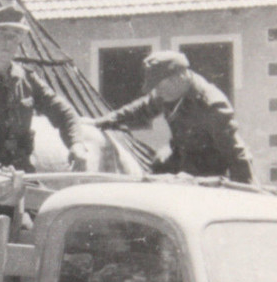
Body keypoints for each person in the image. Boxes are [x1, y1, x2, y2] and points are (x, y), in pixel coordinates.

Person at [0, 2, 89, 175]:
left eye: (15, 36)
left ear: (20, 41)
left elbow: (65, 113)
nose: (8, 42)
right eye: (2, 34)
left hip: (21, 177)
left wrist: (77, 145)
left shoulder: (28, 80)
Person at [96, 50, 255, 184]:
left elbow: (236, 155)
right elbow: (142, 108)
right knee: (157, 166)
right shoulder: (168, 93)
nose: (157, 93)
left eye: (159, 86)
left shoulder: (211, 105)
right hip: (181, 156)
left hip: (209, 172)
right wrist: (106, 120)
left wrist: (246, 194)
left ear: (178, 78)